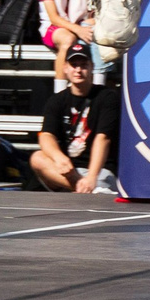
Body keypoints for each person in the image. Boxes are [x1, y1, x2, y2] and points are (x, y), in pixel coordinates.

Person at [32, 44, 121, 195]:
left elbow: (103, 139)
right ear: (65, 68)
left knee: (99, 181)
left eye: (83, 65)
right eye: (74, 65)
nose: (78, 70)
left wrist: (92, 177)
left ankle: (88, 187)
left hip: (99, 170)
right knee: (37, 158)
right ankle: (82, 188)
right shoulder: (57, 100)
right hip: (70, 172)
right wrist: (58, 157)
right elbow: (46, 135)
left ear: (92, 67)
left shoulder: (107, 97)